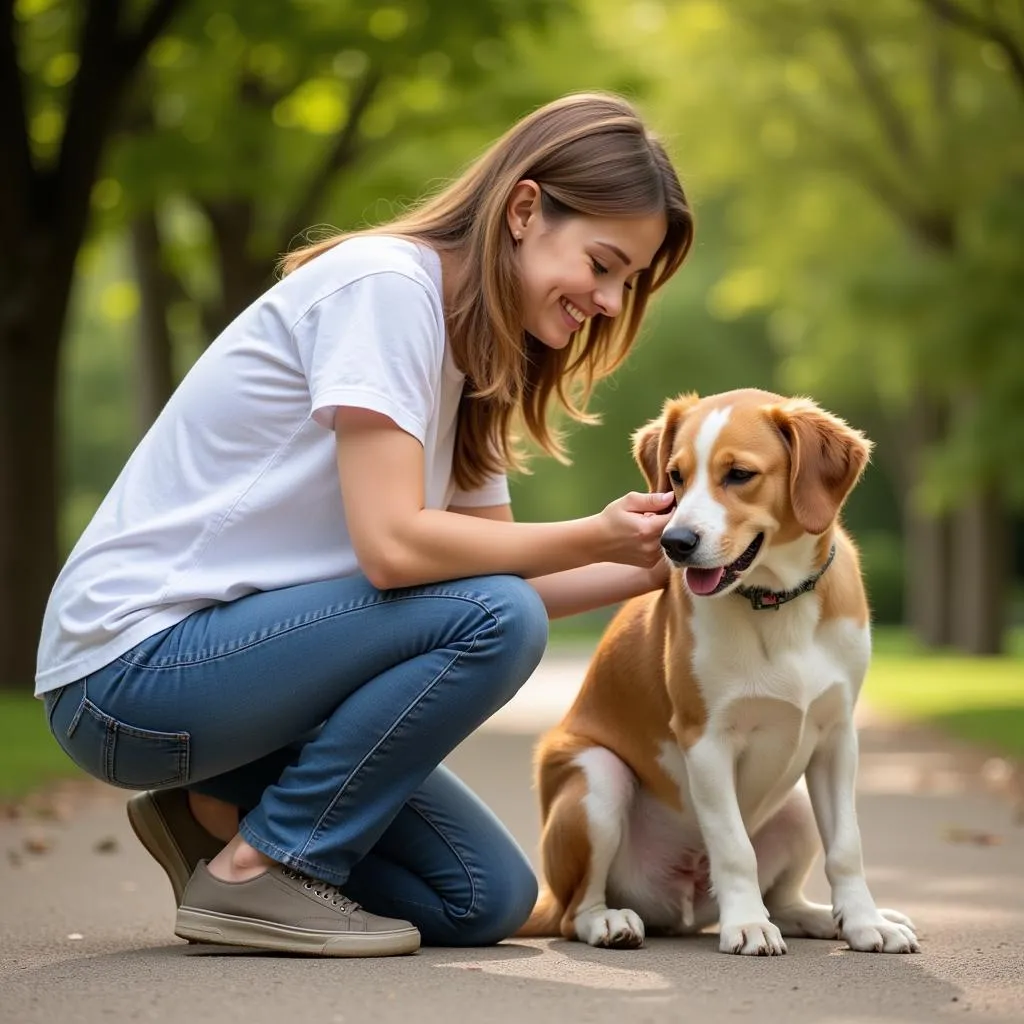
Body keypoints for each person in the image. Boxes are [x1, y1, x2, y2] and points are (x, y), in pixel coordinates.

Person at [35, 91, 694, 958]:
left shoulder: (477, 361)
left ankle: (213, 819)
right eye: (603, 265)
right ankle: (260, 872)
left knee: (481, 901)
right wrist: (593, 531)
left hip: (236, 690)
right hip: (129, 674)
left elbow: (511, 572)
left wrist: (671, 559)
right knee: (495, 619)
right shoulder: (388, 290)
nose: (609, 302)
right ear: (526, 210)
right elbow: (397, 553)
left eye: (627, 283)